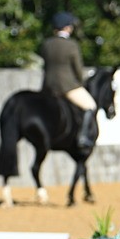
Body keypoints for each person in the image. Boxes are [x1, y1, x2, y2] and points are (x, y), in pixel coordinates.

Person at [40, 11, 96, 149]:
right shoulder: (72, 45)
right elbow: (77, 69)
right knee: (91, 106)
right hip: (67, 86)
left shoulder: (46, 44)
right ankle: (83, 137)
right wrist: (81, 83)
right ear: (68, 28)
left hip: (48, 86)